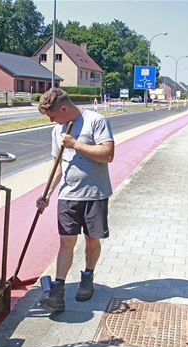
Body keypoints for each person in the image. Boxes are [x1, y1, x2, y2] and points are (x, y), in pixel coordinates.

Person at [36, 88, 115, 312]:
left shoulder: (95, 121)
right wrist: (47, 193)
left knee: (91, 240)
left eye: (52, 115)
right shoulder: (56, 131)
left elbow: (108, 154)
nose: (51, 120)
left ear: (63, 108)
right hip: (68, 195)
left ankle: (88, 276)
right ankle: (57, 292)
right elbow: (58, 166)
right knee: (66, 242)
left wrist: (76, 144)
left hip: (94, 194)